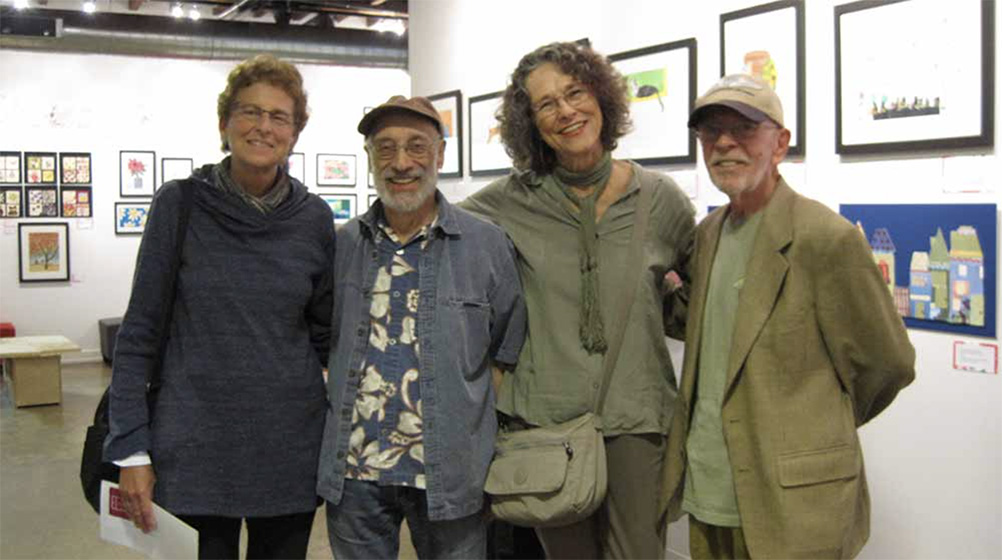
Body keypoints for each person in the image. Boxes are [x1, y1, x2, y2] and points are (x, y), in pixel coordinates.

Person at [659, 74, 916, 559]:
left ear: (780, 144)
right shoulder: (709, 234)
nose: (725, 144)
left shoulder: (825, 238)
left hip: (794, 504)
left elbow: (889, 366)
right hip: (709, 487)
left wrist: (808, 426)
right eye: (711, 133)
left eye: (743, 128)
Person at [460, 41, 696, 559]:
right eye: (546, 104)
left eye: (575, 93)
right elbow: (440, 238)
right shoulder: (507, 201)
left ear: (602, 99)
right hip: (547, 424)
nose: (566, 111)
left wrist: (666, 298)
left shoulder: (661, 200)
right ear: (530, 124)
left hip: (638, 421)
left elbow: (699, 302)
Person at [104, 54, 334, 559]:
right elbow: (139, 333)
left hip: (288, 449)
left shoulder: (313, 218)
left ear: (295, 132)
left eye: (279, 116)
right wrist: (132, 448)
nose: (263, 127)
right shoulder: (181, 204)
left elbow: (326, 337)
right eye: (250, 112)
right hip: (192, 448)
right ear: (224, 123)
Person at [316, 95, 527, 560]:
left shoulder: (485, 244)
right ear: (370, 159)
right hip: (355, 476)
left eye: (416, 146)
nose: (402, 163)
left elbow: (506, 348)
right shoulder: (343, 244)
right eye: (385, 149)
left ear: (440, 155)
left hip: (451, 472)